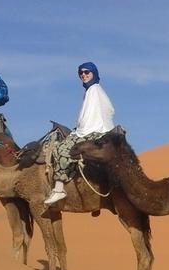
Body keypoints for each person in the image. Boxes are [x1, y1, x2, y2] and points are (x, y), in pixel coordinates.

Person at [44, 62, 116, 205]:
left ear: (93, 73)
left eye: (86, 72)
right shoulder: (93, 90)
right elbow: (109, 110)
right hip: (98, 129)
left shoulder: (94, 90)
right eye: (81, 73)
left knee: (62, 149)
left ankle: (59, 189)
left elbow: (89, 117)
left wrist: (78, 133)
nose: (83, 75)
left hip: (93, 131)